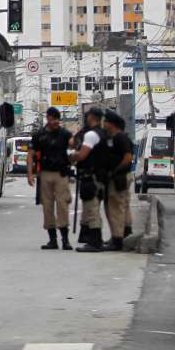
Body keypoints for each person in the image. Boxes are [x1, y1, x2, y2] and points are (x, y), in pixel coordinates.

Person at [28, 107, 74, 250]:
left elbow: (74, 147)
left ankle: (65, 240)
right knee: (47, 207)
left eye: (57, 119)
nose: (55, 122)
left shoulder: (65, 134)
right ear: (47, 118)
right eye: (52, 119)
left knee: (62, 206)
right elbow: (30, 155)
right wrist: (30, 174)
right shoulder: (39, 135)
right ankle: (52, 240)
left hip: (61, 174)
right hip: (45, 174)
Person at [71, 107, 106, 252]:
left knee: (91, 210)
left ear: (91, 117)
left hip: (91, 177)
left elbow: (82, 155)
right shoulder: (103, 134)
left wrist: (72, 156)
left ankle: (95, 242)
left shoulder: (91, 135)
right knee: (91, 209)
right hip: (99, 177)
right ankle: (91, 239)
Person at [99, 111, 135, 251]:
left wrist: (115, 170)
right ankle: (122, 234)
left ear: (112, 124)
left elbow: (128, 157)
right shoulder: (114, 138)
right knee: (120, 206)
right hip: (117, 176)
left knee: (115, 208)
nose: (104, 124)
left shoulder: (120, 138)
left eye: (106, 121)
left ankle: (117, 239)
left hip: (119, 177)